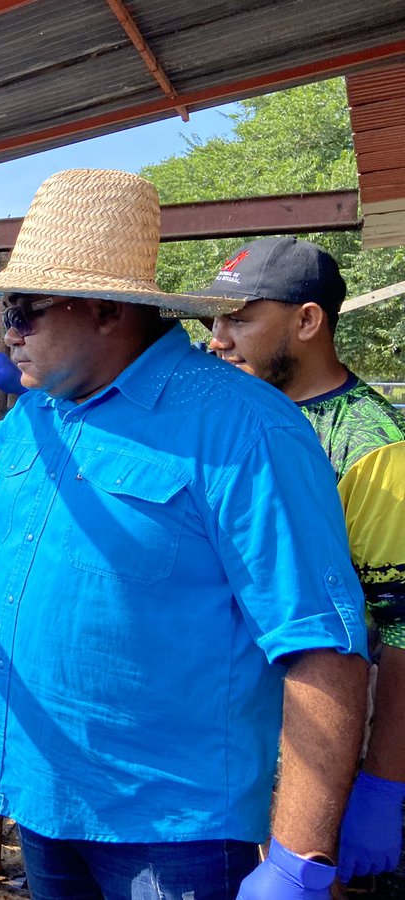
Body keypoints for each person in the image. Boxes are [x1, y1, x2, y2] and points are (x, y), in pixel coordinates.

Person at [0, 169, 369, 900]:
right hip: (44, 794)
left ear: (104, 310)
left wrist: (298, 860)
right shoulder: (45, 410)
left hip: (169, 829)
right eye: (6, 311)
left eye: (26, 311)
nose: (8, 332)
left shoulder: (246, 429)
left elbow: (324, 648)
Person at [201, 237, 405, 889]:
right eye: (214, 319)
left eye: (239, 319)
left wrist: (383, 781)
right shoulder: (231, 412)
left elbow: (403, 631)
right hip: (230, 736)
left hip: (317, 739)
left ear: (308, 321)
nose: (216, 339)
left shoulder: (374, 449)